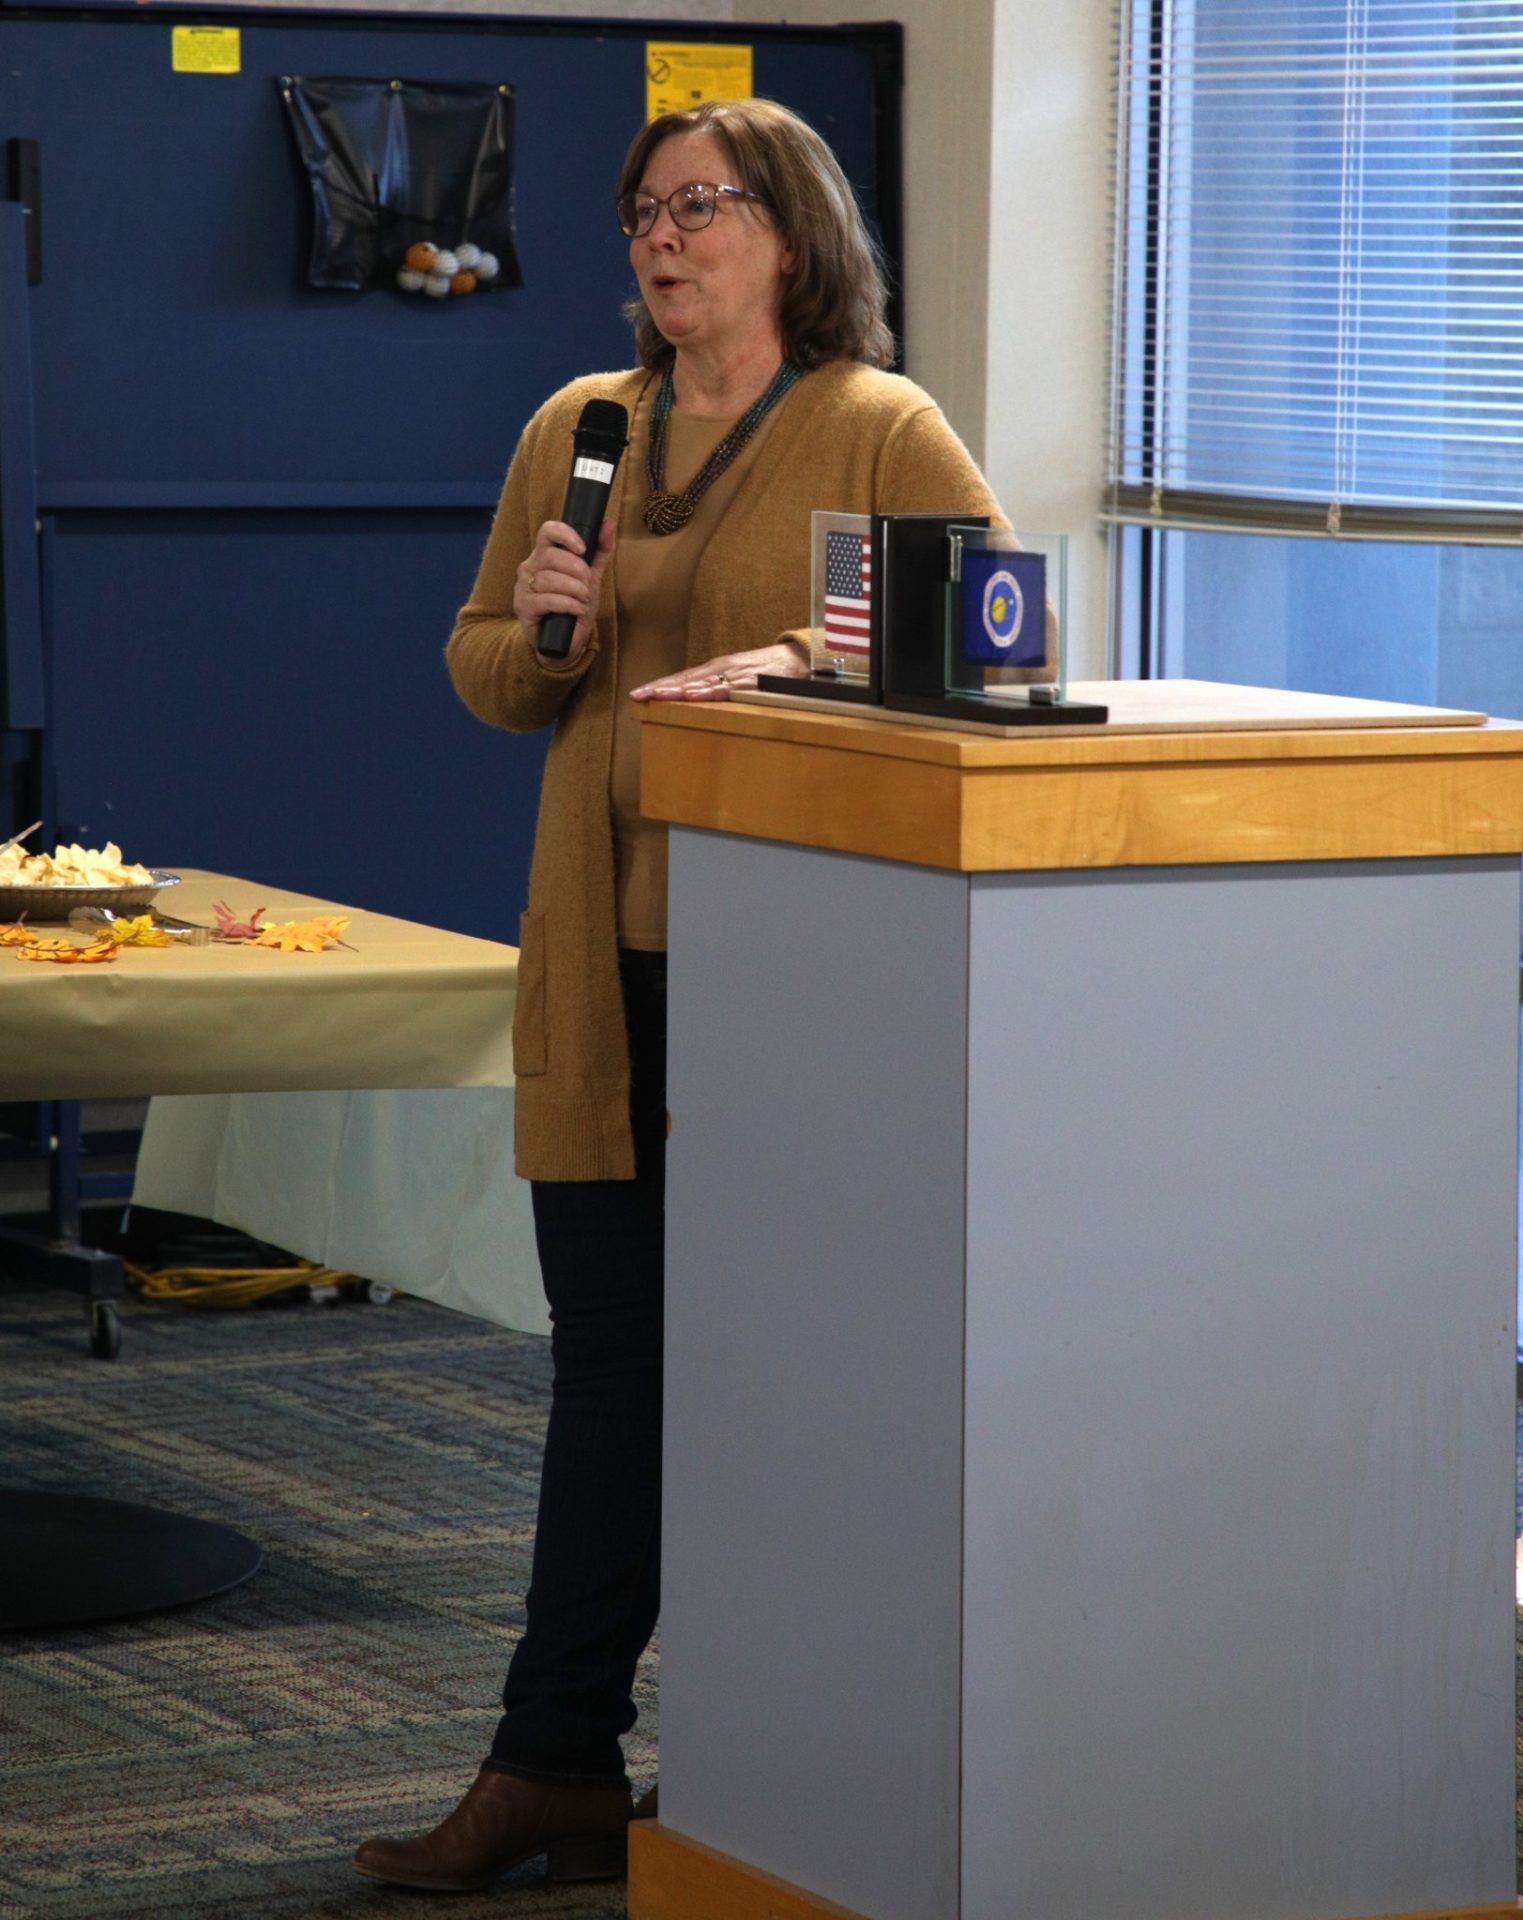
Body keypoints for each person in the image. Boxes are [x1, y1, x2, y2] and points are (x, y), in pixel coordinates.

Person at [352, 95, 1001, 1896]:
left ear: (790, 235)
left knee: (785, 1385)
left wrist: (792, 657)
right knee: (614, 1380)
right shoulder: (580, 425)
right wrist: (554, 628)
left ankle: (756, 1766)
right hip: (605, 967)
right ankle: (552, 1758)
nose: (660, 236)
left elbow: (990, 630)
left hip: (794, 986)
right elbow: (490, 670)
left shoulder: (878, 426)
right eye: (642, 210)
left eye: (699, 206)